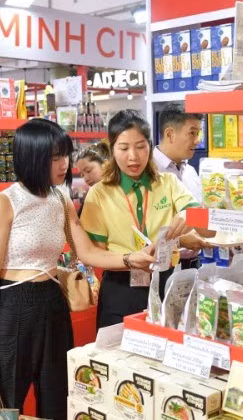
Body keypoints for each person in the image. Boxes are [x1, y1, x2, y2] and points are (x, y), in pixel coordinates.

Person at [0, 118, 154, 419]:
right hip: (13, 307)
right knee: (0, 403)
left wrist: (130, 258)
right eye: (55, 157)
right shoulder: (4, 204)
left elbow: (87, 252)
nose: (64, 164)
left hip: (53, 304)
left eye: (65, 155)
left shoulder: (60, 198)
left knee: (57, 398)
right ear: (32, 158)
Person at [80, 110, 212, 329]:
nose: (133, 156)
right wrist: (130, 259)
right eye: (124, 148)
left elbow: (208, 231)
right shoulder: (99, 193)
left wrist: (192, 215)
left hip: (167, 283)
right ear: (112, 149)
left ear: (150, 146)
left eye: (141, 146)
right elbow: (94, 254)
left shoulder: (168, 183)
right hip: (121, 289)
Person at [153, 103, 210, 268]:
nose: (198, 140)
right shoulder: (149, 171)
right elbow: (138, 229)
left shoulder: (191, 171)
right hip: (161, 267)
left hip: (194, 264)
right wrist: (180, 240)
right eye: (192, 133)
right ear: (170, 134)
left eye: (199, 133)